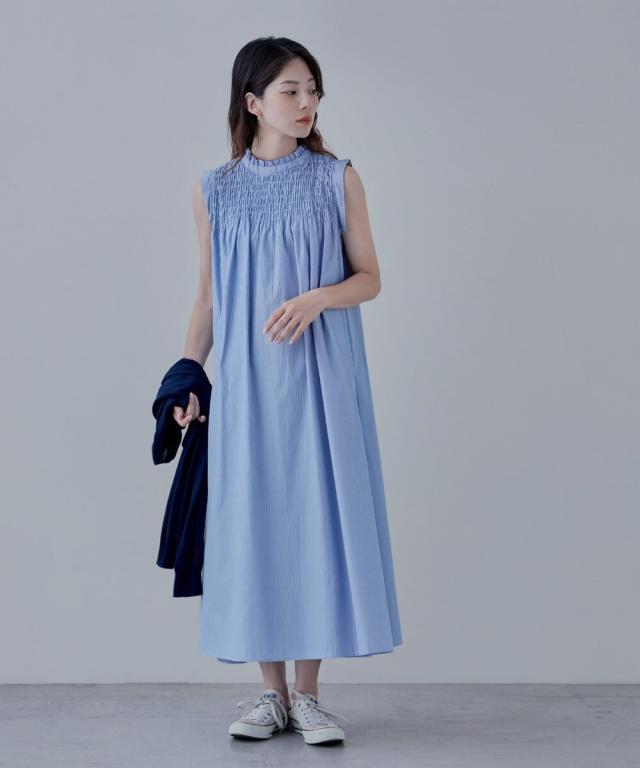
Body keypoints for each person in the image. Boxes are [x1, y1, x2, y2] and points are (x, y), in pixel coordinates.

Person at [177, 36, 403, 745]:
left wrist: (317, 298)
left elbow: (370, 278)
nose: (307, 103)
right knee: (255, 525)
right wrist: (187, 376)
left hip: (322, 381)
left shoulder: (338, 179)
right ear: (253, 102)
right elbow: (209, 297)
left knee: (316, 522)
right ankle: (269, 694)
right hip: (246, 388)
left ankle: (308, 695)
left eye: (313, 90)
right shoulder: (214, 189)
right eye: (291, 90)